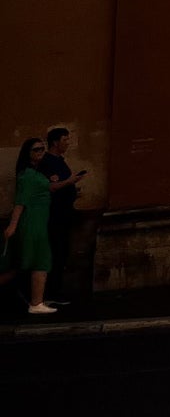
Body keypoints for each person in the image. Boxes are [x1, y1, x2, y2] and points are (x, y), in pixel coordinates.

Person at [2, 138, 57, 315]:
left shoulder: (35, 173)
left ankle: (37, 301)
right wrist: (12, 225)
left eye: (43, 148)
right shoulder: (27, 175)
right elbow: (21, 202)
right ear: (28, 153)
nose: (41, 152)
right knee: (39, 260)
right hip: (32, 222)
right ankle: (36, 303)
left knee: (25, 263)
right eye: (36, 149)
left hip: (38, 221)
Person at [38, 126, 85, 302]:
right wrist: (69, 182)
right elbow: (49, 187)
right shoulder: (49, 163)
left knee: (62, 252)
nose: (68, 143)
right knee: (56, 252)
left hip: (64, 214)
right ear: (55, 142)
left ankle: (54, 290)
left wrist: (73, 188)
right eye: (65, 140)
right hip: (55, 216)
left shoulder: (59, 161)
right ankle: (51, 292)